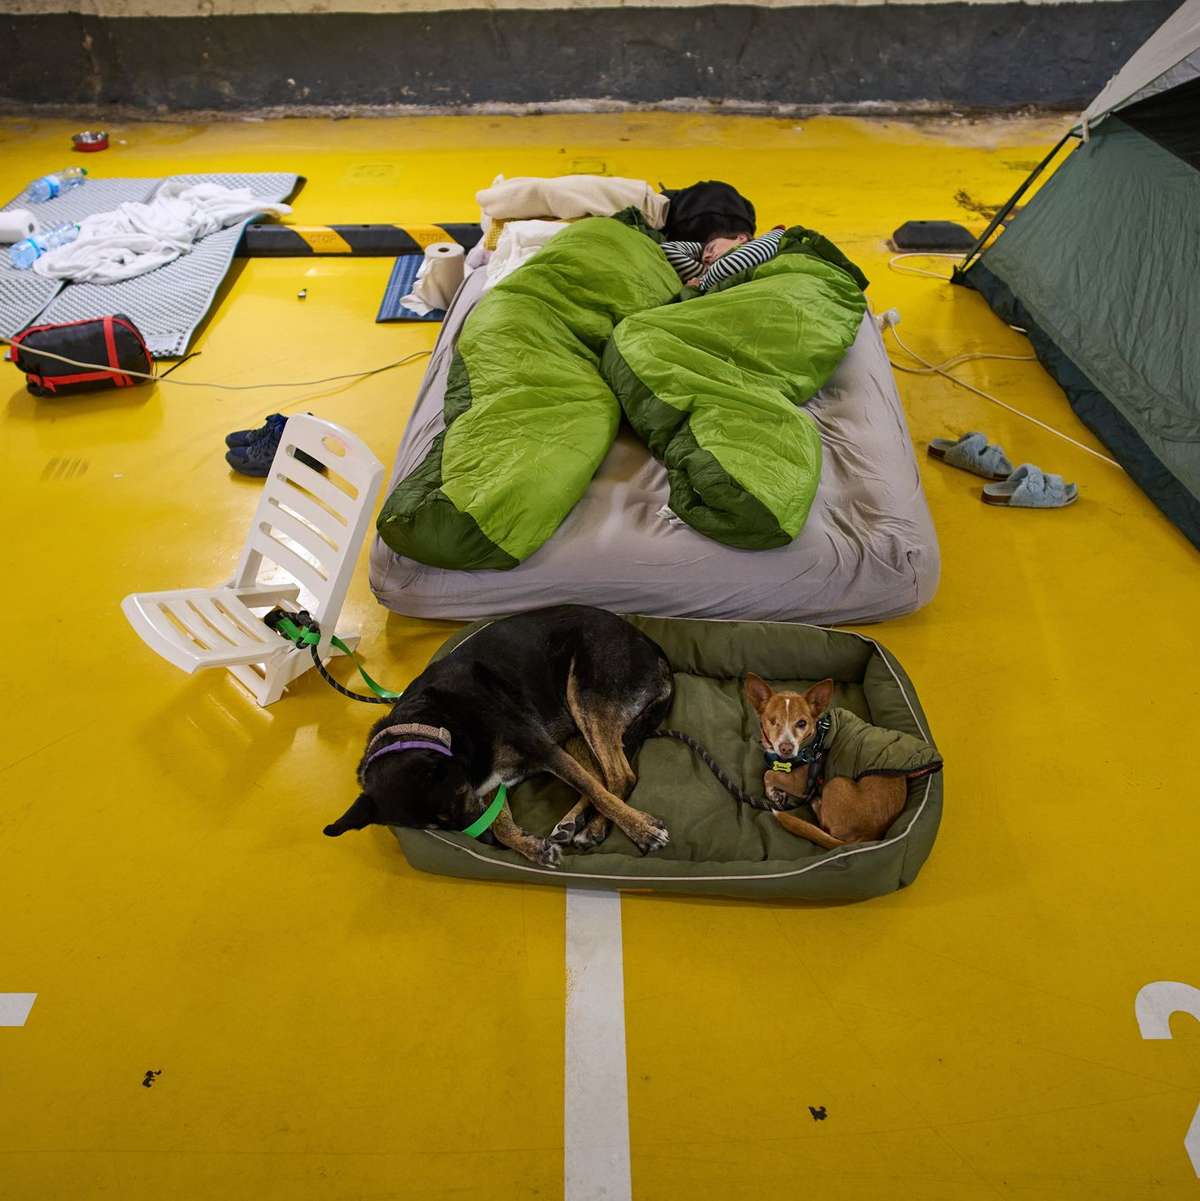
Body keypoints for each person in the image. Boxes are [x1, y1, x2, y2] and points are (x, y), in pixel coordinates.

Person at [661, 225, 786, 294]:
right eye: (704, 262)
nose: (706, 257)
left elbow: (731, 266)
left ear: (742, 238)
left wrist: (700, 284)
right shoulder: (718, 279)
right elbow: (667, 251)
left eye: (711, 248)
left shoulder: (772, 242)